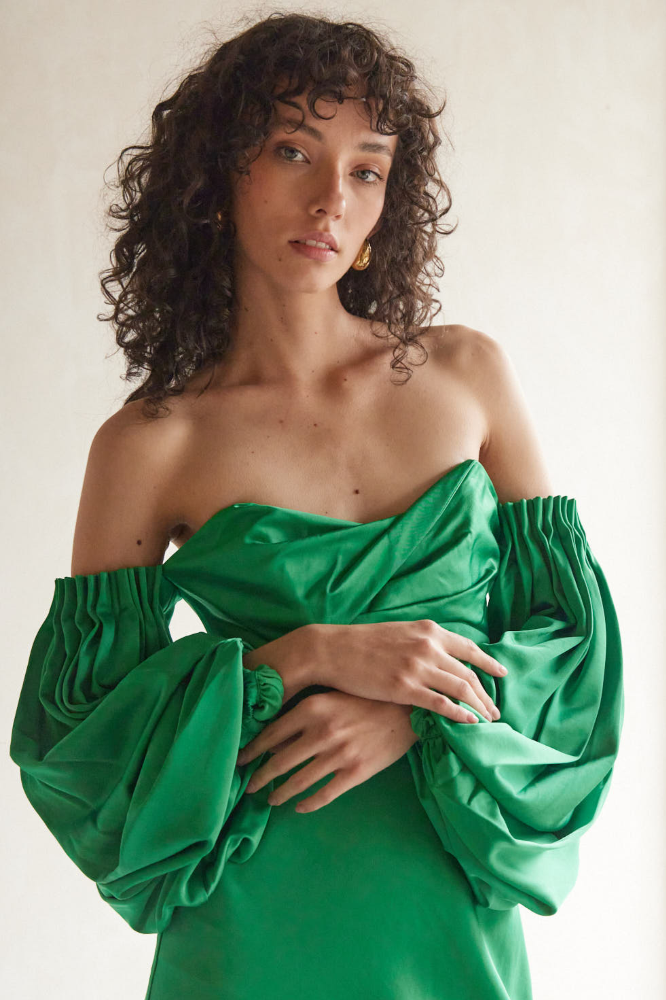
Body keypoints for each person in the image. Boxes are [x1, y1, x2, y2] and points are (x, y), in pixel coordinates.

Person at [9, 12, 624, 1000]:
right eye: (293, 150)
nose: (332, 198)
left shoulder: (468, 377)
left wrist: (419, 719)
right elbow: (80, 747)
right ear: (218, 176)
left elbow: (575, 660)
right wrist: (302, 658)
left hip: (447, 900)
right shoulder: (152, 443)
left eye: (367, 168)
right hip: (249, 920)